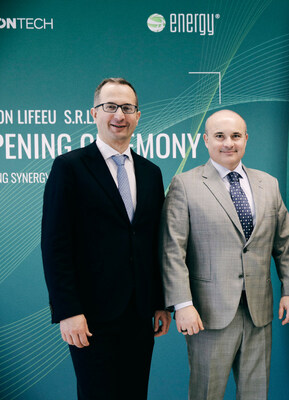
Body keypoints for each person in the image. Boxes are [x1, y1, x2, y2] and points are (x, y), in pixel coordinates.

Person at [41, 77, 171, 399]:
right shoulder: (69, 167)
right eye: (110, 106)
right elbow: (55, 244)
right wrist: (68, 311)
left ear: (138, 115)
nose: (119, 115)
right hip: (89, 316)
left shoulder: (151, 173)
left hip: (139, 313)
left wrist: (159, 302)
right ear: (94, 113)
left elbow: (153, 242)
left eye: (127, 107)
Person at [160, 109, 289, 400]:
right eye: (219, 136)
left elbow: (284, 243)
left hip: (259, 311)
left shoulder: (268, 183)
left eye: (236, 136)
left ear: (246, 138)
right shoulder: (185, 184)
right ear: (205, 140)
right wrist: (182, 304)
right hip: (208, 313)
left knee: (256, 393)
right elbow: (173, 250)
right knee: (206, 394)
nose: (228, 143)